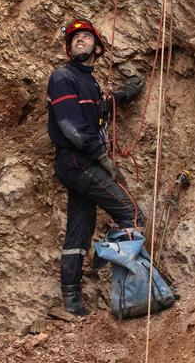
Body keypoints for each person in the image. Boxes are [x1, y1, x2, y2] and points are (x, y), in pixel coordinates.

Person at [46, 18, 145, 317]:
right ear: (68, 48)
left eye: (86, 37)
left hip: (78, 163)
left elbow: (98, 109)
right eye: (75, 38)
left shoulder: (87, 82)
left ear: (97, 48)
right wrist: (101, 157)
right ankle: (137, 290)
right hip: (78, 161)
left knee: (80, 229)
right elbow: (69, 124)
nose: (80, 40)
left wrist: (125, 95)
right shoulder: (62, 77)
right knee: (129, 211)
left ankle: (72, 303)